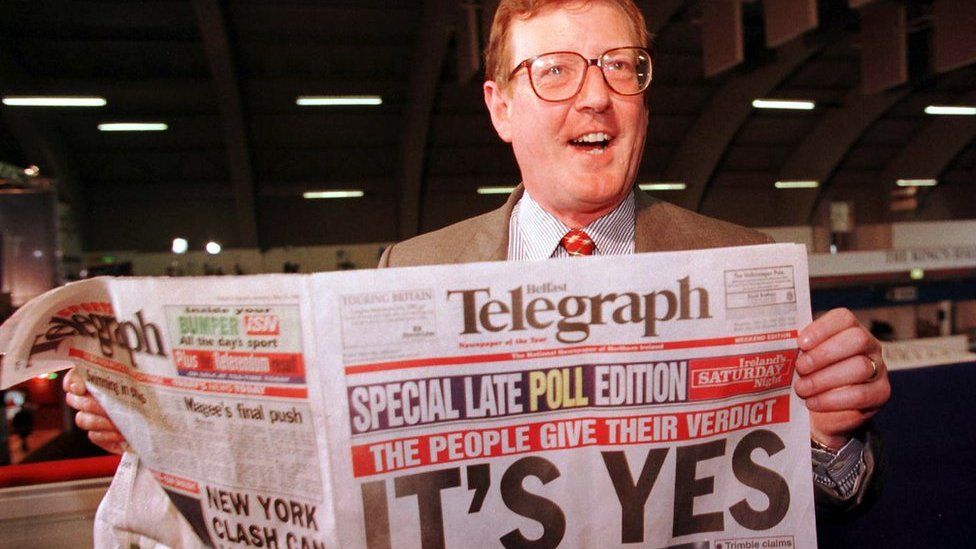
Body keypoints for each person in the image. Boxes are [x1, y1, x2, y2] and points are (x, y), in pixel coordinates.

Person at [66, 0, 889, 524]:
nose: (594, 96)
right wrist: (152, 423)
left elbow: (837, 503)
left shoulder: (740, 264)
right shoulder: (408, 270)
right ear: (500, 107)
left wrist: (827, 436)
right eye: (555, 72)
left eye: (619, 67)